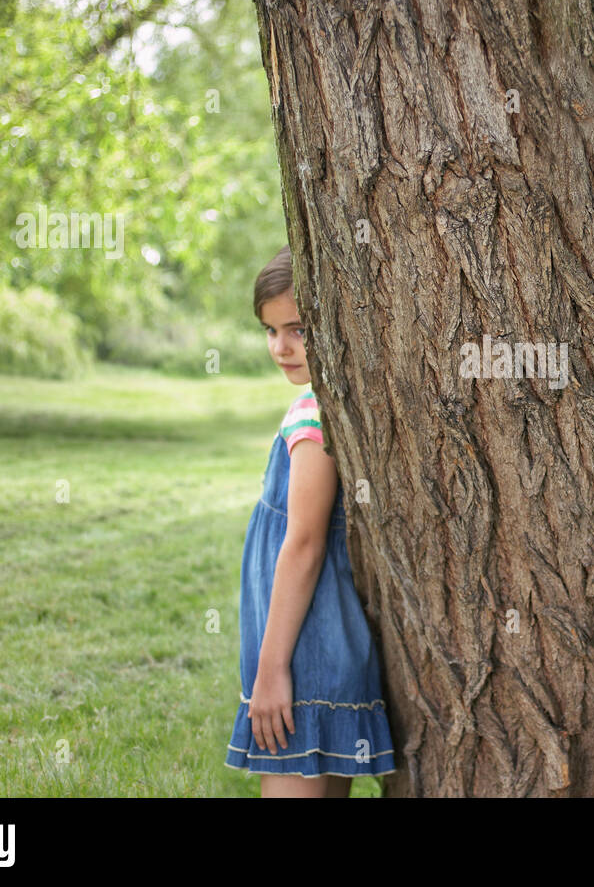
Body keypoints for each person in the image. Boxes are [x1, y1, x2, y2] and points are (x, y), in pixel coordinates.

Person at [225, 247, 395, 796]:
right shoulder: (328, 401)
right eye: (270, 331)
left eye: (297, 329)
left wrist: (270, 672)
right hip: (322, 647)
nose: (281, 347)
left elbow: (303, 544)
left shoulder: (313, 414)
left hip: (303, 656)